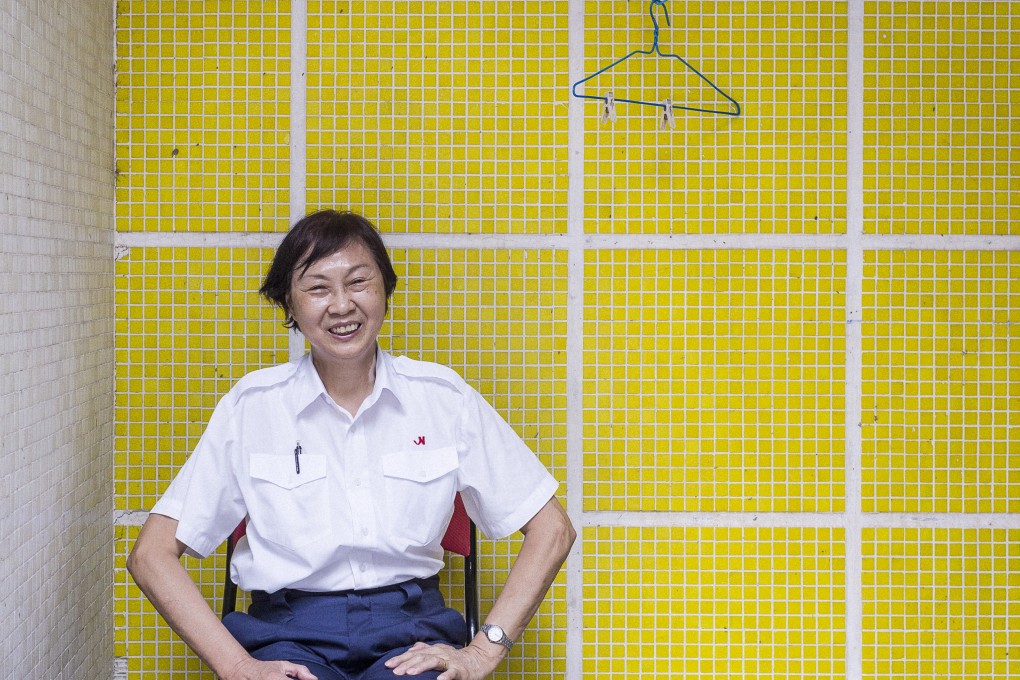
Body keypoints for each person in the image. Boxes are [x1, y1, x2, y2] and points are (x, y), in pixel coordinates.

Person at [127, 210, 576, 680]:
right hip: (285, 635)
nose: (341, 305)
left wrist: (481, 653)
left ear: (385, 290)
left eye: (358, 282)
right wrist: (236, 665)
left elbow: (553, 529)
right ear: (289, 304)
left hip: (411, 635)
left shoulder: (443, 398)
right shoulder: (252, 406)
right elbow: (151, 554)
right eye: (318, 288)